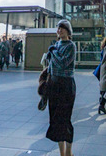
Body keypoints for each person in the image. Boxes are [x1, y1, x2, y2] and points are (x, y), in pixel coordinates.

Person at [45, 20, 76, 156]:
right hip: (54, 84)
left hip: (66, 85)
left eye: (62, 28)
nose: (60, 30)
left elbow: (63, 63)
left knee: (65, 119)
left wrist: (53, 52)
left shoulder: (71, 46)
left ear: (68, 31)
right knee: (55, 119)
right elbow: (51, 65)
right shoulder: (56, 45)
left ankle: (68, 152)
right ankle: (61, 153)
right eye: (58, 28)